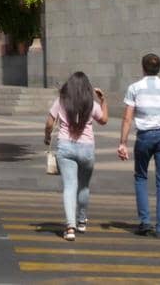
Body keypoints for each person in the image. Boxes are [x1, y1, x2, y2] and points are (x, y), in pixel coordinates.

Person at [118, 52, 160, 237]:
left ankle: (145, 222)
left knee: (141, 177)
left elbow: (127, 117)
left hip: (144, 136)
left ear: (143, 67)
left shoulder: (134, 88)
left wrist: (123, 142)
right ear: (159, 68)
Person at [43, 71, 108, 241]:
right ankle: (81, 221)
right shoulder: (92, 104)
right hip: (87, 149)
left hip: (66, 147)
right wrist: (103, 100)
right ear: (87, 88)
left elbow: (49, 123)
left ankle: (70, 227)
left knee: (70, 187)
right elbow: (104, 120)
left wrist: (47, 136)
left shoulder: (61, 101)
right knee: (84, 187)